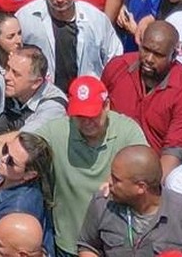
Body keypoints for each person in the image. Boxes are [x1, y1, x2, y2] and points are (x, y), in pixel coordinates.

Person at [26, 76, 146, 257]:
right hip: (69, 246)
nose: (87, 121)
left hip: (115, 246)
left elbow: (148, 170)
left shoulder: (127, 131)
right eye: (80, 116)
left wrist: (119, 179)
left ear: (106, 106)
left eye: (93, 114)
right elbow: (18, 150)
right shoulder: (57, 131)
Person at [101, 20, 182, 171]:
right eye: (145, 49)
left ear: (174, 55)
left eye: (158, 54)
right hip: (106, 159)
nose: (149, 59)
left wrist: (151, 190)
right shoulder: (118, 67)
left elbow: (172, 156)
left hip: (151, 172)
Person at [77, 144, 182, 257]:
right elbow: (88, 246)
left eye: (116, 180)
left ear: (141, 187)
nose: (109, 182)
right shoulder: (103, 203)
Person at [16, 0, 122, 93]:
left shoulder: (96, 19)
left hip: (87, 96)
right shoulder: (26, 17)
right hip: (41, 96)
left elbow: (115, 57)